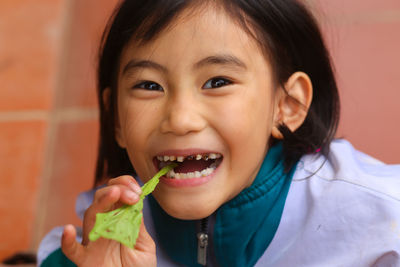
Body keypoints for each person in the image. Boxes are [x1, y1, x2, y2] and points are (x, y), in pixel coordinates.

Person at [37, 0, 400, 266]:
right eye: (149, 85)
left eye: (217, 81)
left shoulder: (379, 219)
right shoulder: (106, 236)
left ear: (287, 105)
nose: (179, 119)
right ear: (116, 117)